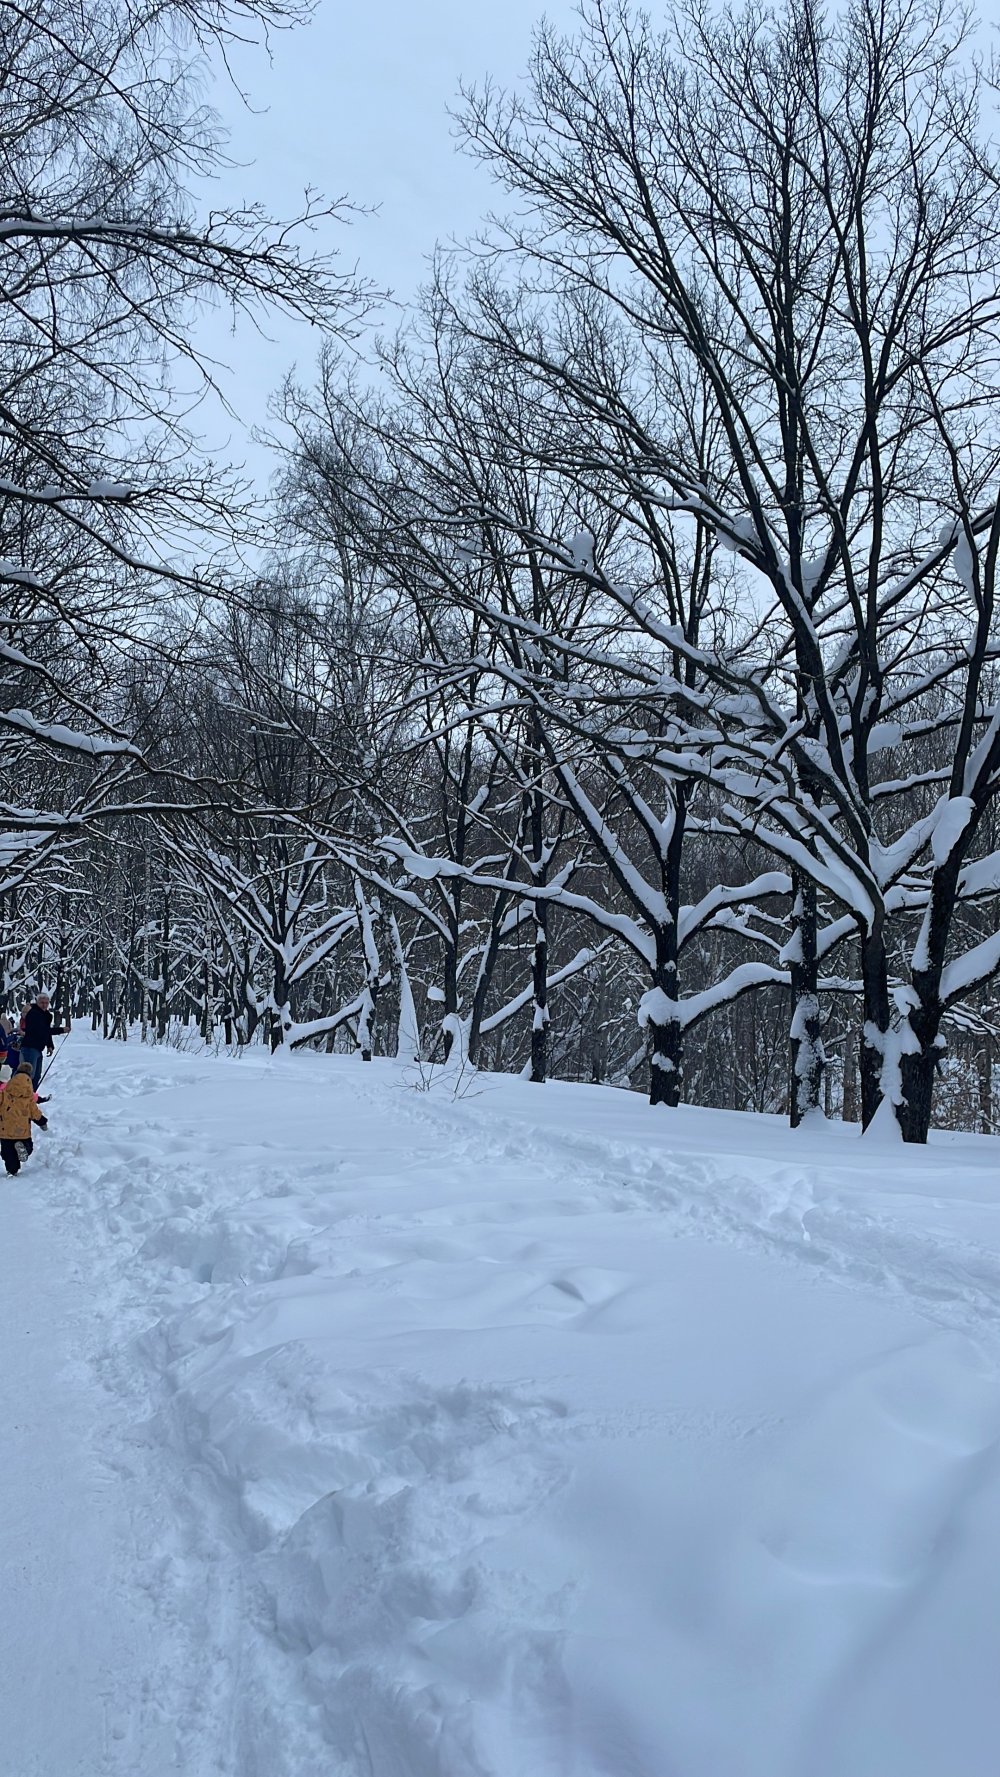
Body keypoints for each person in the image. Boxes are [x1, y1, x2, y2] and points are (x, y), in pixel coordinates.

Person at [0, 1061, 47, 1174]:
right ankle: (24, 1148)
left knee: (8, 1153)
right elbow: (35, 1113)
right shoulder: (29, 1098)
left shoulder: (4, 1093)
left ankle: (12, 1170)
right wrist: (42, 1122)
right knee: (28, 1147)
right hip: (22, 1131)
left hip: (5, 1131)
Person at [20, 993, 67, 1090]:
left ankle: (32, 1097)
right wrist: (61, 1030)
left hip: (38, 1048)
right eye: (42, 1003)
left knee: (36, 1076)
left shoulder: (46, 1015)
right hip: (29, 1047)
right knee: (27, 1076)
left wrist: (49, 1045)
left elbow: (46, 1031)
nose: (44, 1005)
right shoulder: (34, 1014)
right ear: (37, 1002)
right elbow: (42, 1030)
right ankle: (22, 1098)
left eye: (46, 1003)